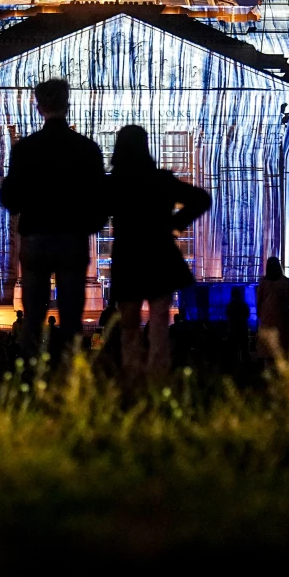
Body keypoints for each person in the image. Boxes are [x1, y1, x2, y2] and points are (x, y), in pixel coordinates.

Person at [0, 78, 109, 363]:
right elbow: (101, 199)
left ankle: (31, 377)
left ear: (39, 108)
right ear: (67, 105)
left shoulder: (25, 149)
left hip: (35, 238)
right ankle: (70, 376)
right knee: (72, 313)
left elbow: (10, 198)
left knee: (34, 312)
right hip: (72, 239)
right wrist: (88, 226)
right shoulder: (86, 149)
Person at [106, 125, 212, 383]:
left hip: (128, 253)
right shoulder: (160, 179)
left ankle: (131, 373)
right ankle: (158, 374)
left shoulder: (114, 181)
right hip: (159, 252)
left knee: (129, 321)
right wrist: (175, 224)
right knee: (159, 319)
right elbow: (201, 199)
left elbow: (94, 212)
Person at [255, 257, 289, 359]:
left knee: (267, 343)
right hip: (282, 315)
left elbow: (259, 299)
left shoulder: (263, 282)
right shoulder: (285, 281)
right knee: (282, 342)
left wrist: (259, 313)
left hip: (266, 315)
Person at [225, 287, 251, 366]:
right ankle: (245, 367)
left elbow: (227, 315)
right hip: (242, 329)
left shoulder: (229, 305)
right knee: (244, 350)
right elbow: (247, 315)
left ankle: (233, 367)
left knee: (233, 351)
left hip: (232, 330)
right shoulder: (243, 304)